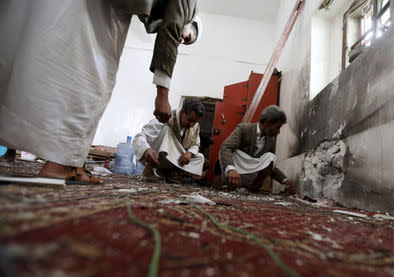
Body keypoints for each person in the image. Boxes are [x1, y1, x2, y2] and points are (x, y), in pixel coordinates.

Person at [0, 0, 201, 183]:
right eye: (186, 38)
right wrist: (162, 95)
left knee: (27, 38)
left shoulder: (194, 130)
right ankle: (60, 164)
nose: (181, 39)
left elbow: (195, 146)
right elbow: (171, 29)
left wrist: (190, 154)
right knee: (92, 72)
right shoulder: (190, 8)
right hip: (104, 12)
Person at [218, 105, 296, 193]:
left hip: (249, 173)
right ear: (267, 122)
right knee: (226, 147)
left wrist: (284, 180)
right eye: (277, 127)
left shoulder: (271, 140)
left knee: (271, 157)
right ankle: (230, 183)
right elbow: (226, 147)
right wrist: (231, 169)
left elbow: (270, 166)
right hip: (235, 167)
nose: (278, 132)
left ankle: (252, 189)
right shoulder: (243, 128)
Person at [132, 99, 205, 181]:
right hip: (156, 156)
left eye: (195, 121)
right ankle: (148, 170)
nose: (192, 125)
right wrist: (146, 150)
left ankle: (170, 172)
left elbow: (195, 144)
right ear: (182, 112)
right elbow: (140, 136)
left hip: (176, 157)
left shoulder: (195, 126)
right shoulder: (166, 117)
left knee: (200, 157)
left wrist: (189, 153)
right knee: (166, 129)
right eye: (190, 120)